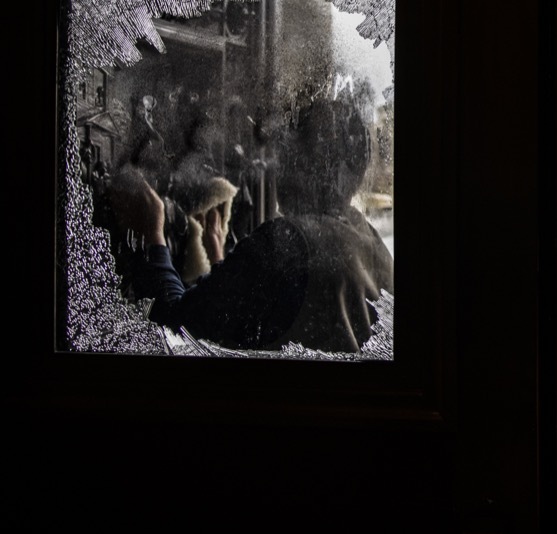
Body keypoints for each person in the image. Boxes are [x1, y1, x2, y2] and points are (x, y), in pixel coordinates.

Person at [109, 96, 394, 353]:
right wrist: (223, 261)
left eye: (291, 146)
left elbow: (177, 331)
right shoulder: (374, 246)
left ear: (320, 167)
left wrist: (152, 234)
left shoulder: (285, 243)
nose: (277, 162)